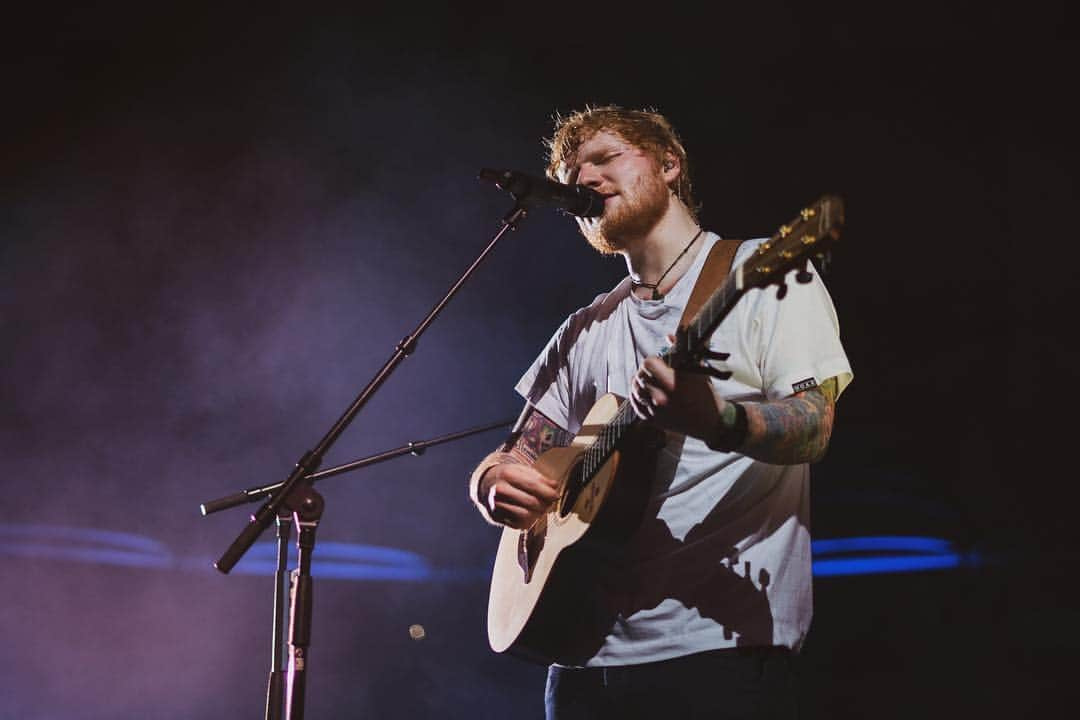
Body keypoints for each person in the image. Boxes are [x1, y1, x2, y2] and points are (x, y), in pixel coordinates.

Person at [468, 105, 853, 719]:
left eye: (604, 158)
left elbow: (814, 426)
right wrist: (490, 482)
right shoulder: (584, 328)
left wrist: (720, 420)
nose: (584, 178)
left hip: (718, 653)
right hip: (581, 661)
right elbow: (521, 451)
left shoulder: (763, 271)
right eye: (572, 171)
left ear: (669, 164)